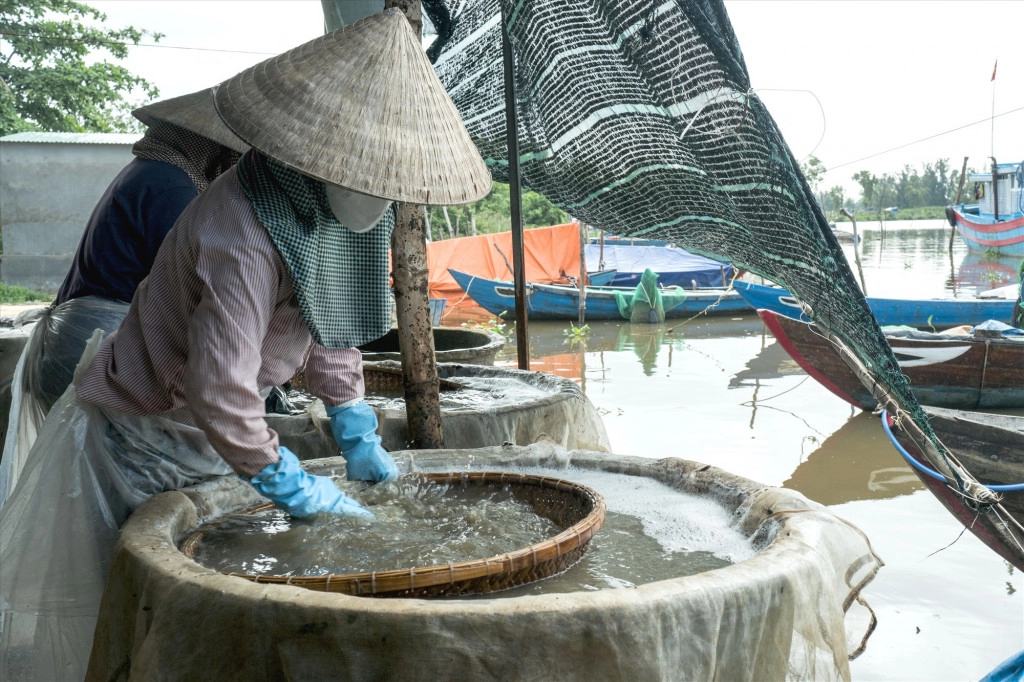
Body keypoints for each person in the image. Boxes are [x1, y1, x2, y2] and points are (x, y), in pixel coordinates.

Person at [0, 10, 491, 681]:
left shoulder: (329, 219)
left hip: (205, 426)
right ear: (320, 157)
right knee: (152, 595)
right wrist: (288, 481)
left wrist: (352, 419)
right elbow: (220, 392)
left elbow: (331, 318)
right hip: (146, 429)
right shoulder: (239, 229)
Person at [0, 87, 248, 509]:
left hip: (79, 340)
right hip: (97, 346)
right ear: (207, 147)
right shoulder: (171, 186)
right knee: (120, 491)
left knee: (91, 484)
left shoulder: (150, 171)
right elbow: (190, 287)